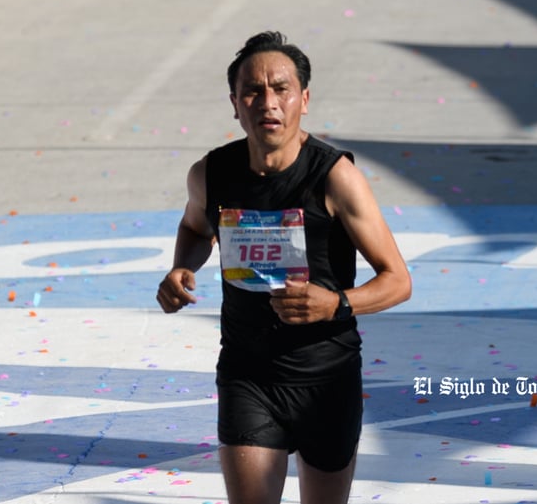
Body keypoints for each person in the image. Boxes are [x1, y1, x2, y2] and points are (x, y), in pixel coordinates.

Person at [156, 31, 412, 504]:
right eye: (253, 90)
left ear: (304, 99)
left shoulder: (336, 177)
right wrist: (181, 269)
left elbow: (398, 281)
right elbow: (195, 229)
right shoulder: (210, 174)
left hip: (326, 377)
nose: (267, 101)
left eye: (281, 88)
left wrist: (335, 304)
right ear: (235, 103)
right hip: (247, 374)